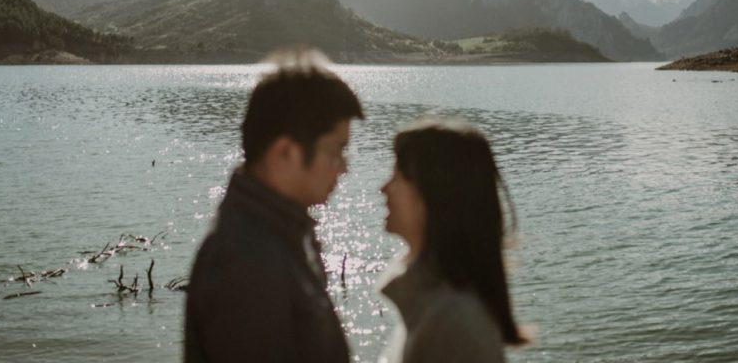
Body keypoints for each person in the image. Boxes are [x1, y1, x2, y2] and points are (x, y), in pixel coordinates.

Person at [182, 48, 364, 362]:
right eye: (336, 150)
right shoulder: (246, 262)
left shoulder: (279, 234)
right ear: (284, 153)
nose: (343, 166)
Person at [377, 119, 529, 362]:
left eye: (397, 177)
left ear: (433, 196)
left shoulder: (452, 322)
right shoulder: (436, 307)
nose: (383, 188)